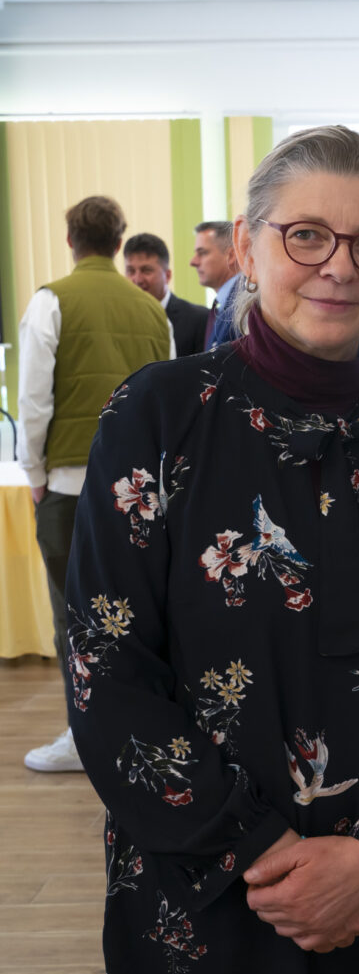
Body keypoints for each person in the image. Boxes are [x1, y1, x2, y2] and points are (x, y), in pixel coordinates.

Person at [66, 126, 359, 974]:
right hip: (204, 890)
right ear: (246, 244)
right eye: (305, 235)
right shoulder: (157, 415)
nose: (338, 267)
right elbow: (105, 668)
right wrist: (263, 854)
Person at [16, 195, 172, 773]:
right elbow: (169, 406)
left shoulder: (51, 301)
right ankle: (141, 732)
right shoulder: (151, 310)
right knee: (140, 616)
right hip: (142, 492)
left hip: (70, 484)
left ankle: (83, 738)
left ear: (70, 241)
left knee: (73, 618)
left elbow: (34, 400)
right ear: (118, 242)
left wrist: (34, 474)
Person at [124, 232, 210, 357]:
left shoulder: (200, 320)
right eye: (131, 271)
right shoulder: (119, 319)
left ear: (167, 275)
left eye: (146, 271)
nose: (137, 280)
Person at [190, 220, 241, 348]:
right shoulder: (225, 304)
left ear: (231, 255)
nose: (193, 262)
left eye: (202, 253)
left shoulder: (244, 305)